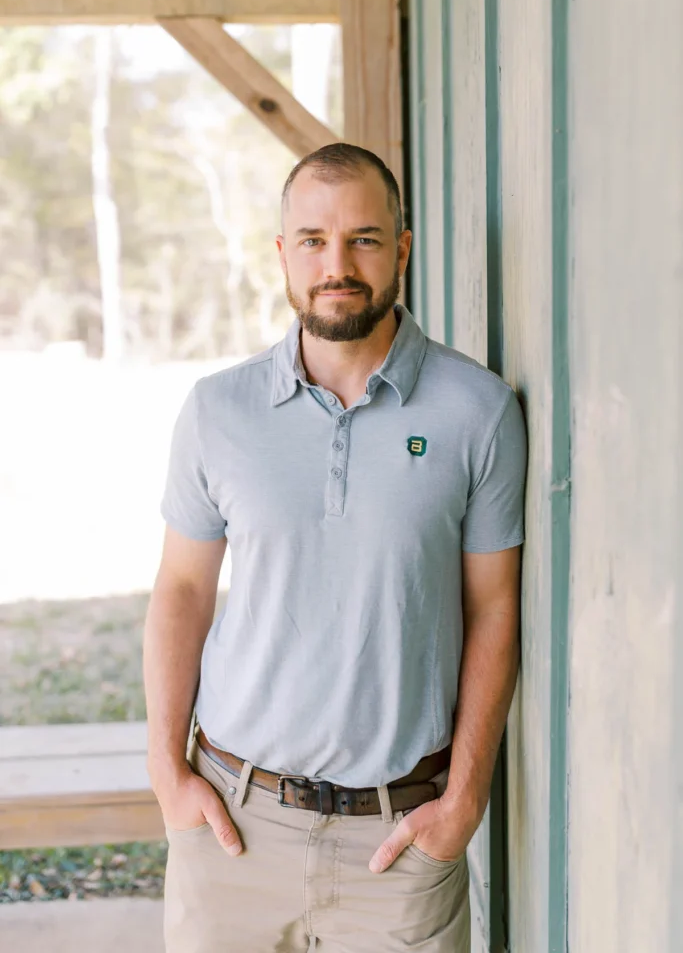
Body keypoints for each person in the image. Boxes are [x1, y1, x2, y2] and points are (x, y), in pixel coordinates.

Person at [144, 142, 527, 953]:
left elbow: (493, 609)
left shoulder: (477, 412)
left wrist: (462, 802)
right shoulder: (219, 410)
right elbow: (182, 589)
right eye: (313, 240)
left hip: (399, 846)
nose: (338, 263)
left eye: (364, 238)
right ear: (283, 255)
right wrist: (165, 773)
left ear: (402, 248)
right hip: (232, 828)